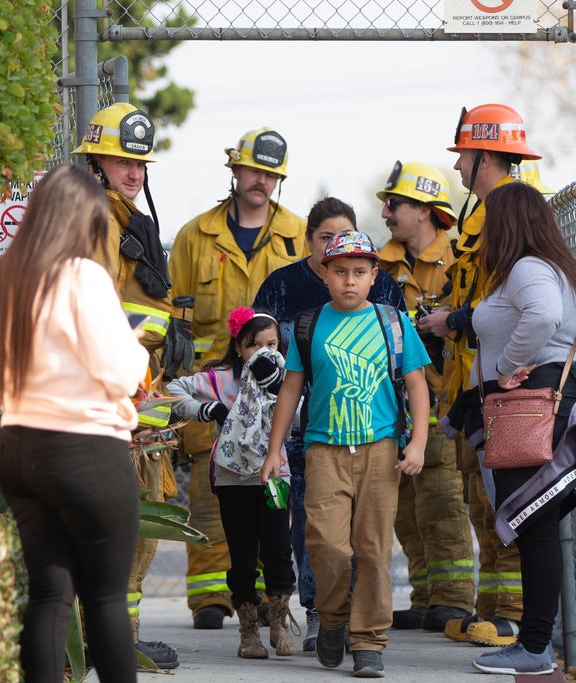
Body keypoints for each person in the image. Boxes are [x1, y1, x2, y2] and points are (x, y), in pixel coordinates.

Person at [0, 164, 147, 683]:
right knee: (106, 598)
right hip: (85, 449)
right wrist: (136, 353)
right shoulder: (81, 276)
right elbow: (118, 371)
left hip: (19, 447)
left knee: (49, 596)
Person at [262, 230, 431, 679]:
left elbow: (417, 385)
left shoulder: (392, 322)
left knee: (373, 551)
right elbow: (291, 388)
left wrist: (417, 443)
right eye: (340, 272)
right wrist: (274, 450)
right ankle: (334, 620)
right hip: (324, 450)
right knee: (328, 546)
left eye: (359, 272)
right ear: (325, 273)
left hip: (379, 450)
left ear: (375, 276)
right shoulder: (309, 323)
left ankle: (369, 641)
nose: (349, 281)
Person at [168, 127, 307, 630]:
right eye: (254, 170)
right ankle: (211, 598)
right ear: (234, 170)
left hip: (275, 399)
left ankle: (273, 601)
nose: (262, 181)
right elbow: (174, 322)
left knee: (273, 511)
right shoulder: (193, 236)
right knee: (210, 506)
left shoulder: (297, 233)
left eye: (271, 174)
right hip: (217, 391)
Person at [415, 104, 541, 646]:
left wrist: (457, 321)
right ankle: (492, 610)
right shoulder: (480, 218)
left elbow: (513, 305)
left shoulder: (506, 219)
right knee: (481, 501)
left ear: (482, 156)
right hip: (474, 383)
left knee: (499, 503)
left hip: (498, 385)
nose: (459, 166)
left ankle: (510, 613)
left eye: (464, 155)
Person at [463, 181, 576, 675]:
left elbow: (544, 316)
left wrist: (506, 367)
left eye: (488, 223)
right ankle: (536, 645)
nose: (483, 233)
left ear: (506, 224)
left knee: (535, 531)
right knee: (539, 530)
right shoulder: (551, 266)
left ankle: (535, 649)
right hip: (543, 410)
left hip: (530, 411)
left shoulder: (527, 268)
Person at [72, 101, 179, 668]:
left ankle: (120, 635)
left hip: (137, 394)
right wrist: (160, 333)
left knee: (140, 529)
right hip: (110, 397)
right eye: (120, 160)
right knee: (122, 528)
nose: (134, 172)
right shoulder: (95, 220)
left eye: (139, 162)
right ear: (96, 162)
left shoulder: (127, 218)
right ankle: (103, 638)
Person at [375, 161, 476, 632]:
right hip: (392, 409)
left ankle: (454, 599)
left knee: (441, 504)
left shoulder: (458, 260)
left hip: (441, 405)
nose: (385, 211)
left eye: (393, 204)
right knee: (406, 514)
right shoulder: (378, 265)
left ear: (423, 210)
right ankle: (425, 596)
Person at [167, 307, 298, 660]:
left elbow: (301, 416)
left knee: (278, 549)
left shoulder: (287, 377)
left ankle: (280, 622)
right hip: (231, 480)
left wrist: (279, 388)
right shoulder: (221, 378)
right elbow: (173, 389)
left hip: (275, 478)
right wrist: (204, 411)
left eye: (272, 343)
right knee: (240, 554)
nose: (264, 351)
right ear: (238, 347)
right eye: (254, 344)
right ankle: (248, 631)